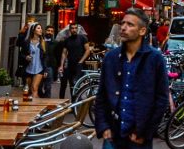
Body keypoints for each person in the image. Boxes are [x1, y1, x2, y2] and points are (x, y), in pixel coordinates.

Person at [94, 8, 170, 149]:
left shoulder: (154, 59)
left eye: (130, 25)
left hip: (138, 138)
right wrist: (104, 126)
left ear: (142, 31)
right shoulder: (111, 58)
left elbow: (161, 99)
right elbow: (101, 96)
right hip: (113, 135)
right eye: (123, 23)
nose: (123, 28)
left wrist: (146, 133)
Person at [59, 22, 92, 98]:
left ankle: (75, 104)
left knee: (76, 84)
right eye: (72, 28)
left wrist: (81, 61)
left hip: (79, 65)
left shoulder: (82, 38)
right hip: (69, 64)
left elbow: (87, 50)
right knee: (66, 84)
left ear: (77, 29)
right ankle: (61, 103)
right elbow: (64, 53)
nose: (74, 30)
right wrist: (61, 65)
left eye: (75, 28)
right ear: (70, 30)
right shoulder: (67, 40)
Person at [18, 23, 47, 98]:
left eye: (41, 28)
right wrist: (26, 57)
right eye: (38, 28)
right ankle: (31, 105)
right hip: (28, 68)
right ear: (33, 30)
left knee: (34, 88)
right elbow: (21, 54)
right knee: (28, 90)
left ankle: (35, 107)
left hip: (39, 68)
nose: (40, 30)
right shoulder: (27, 42)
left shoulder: (43, 42)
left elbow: (45, 57)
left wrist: (45, 70)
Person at [41, 25, 59, 98]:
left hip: (50, 67)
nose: (50, 32)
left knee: (48, 87)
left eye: (52, 31)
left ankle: (47, 102)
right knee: (38, 86)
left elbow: (57, 55)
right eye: (48, 31)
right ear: (45, 31)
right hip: (40, 66)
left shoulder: (55, 43)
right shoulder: (41, 41)